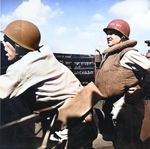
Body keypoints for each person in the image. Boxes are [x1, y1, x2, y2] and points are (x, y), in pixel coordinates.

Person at [0, 20, 103, 149]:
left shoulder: (28, 65)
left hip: (76, 123)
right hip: (85, 118)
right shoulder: (42, 55)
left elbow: (2, 90)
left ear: (18, 45)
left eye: (6, 40)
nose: (3, 46)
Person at [95, 19, 150, 149]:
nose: (108, 36)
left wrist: (142, 90)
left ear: (123, 37)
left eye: (113, 33)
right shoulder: (111, 55)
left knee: (128, 144)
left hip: (128, 107)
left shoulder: (128, 54)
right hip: (114, 107)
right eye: (107, 33)